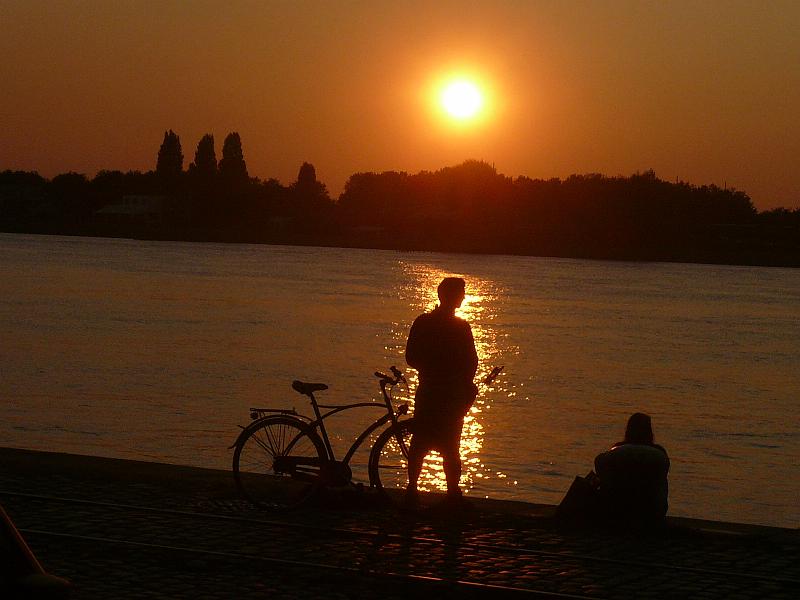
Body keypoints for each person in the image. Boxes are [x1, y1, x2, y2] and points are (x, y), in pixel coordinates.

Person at [404, 277, 478, 506]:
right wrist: (464, 384)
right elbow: (471, 362)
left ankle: (413, 490)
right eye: (461, 293)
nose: (464, 297)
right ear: (453, 297)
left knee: (421, 443)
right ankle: (452, 495)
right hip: (449, 394)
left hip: (429, 390)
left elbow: (411, 357)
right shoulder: (461, 327)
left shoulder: (423, 322)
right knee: (450, 446)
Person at [593, 412, 670, 525]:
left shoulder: (616, 451)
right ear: (649, 432)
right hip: (651, 512)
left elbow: (599, 465)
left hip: (616, 510)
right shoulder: (659, 453)